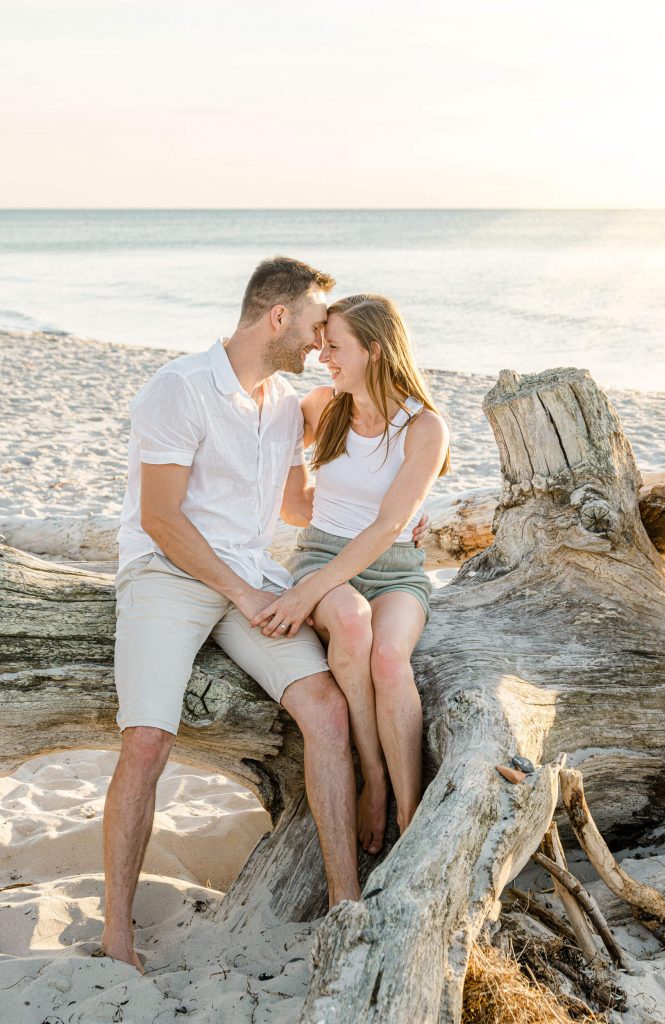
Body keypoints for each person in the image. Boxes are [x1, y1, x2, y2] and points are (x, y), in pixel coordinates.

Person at [102, 257, 359, 972]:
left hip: (250, 575)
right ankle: (117, 934)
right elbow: (159, 518)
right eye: (313, 326)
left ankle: (345, 903)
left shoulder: (281, 403)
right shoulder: (180, 387)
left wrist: (399, 521)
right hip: (166, 573)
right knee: (148, 740)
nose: (317, 342)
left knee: (326, 711)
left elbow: (297, 507)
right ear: (277, 317)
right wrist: (243, 596)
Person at [251, 294, 450, 857]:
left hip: (397, 572)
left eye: (335, 347)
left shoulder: (425, 427)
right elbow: (294, 504)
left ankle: (409, 815)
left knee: (390, 658)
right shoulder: (321, 407)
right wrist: (322, 548)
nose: (324, 358)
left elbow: (389, 526)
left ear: (376, 350)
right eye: (323, 346)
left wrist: (304, 594)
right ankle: (375, 780)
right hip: (321, 558)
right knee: (353, 622)